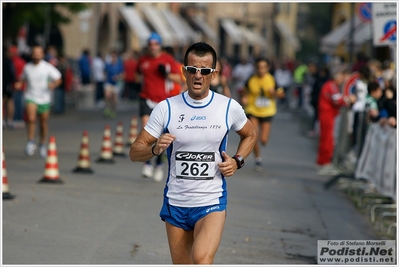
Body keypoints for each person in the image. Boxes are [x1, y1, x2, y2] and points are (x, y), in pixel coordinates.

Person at [129, 42, 257, 264]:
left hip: (211, 201)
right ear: (183, 72)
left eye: (205, 71)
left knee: (201, 260)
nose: (198, 76)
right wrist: (154, 148)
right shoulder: (166, 108)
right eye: (192, 70)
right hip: (176, 202)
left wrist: (237, 161)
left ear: (214, 74)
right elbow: (134, 152)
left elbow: (250, 135)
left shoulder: (227, 107)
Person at [135, 32, 182, 182]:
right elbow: (137, 74)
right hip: (146, 99)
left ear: (160, 45)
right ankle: (147, 164)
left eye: (156, 44)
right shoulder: (143, 60)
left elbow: (179, 78)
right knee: (146, 131)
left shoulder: (167, 60)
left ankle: (160, 165)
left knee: (162, 136)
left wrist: (166, 74)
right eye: (150, 44)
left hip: (163, 102)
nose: (153, 47)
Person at [15, 45, 62, 158]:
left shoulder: (47, 67)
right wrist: (19, 84)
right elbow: (22, 79)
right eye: (34, 53)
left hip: (44, 99)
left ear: (42, 55)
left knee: (43, 123)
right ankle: (30, 141)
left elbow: (59, 79)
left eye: (39, 53)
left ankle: (42, 143)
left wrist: (53, 84)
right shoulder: (27, 67)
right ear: (32, 54)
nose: (36, 55)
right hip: (31, 97)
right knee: (31, 119)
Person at [241, 57, 283, 172]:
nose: (261, 70)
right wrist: (244, 98)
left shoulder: (272, 79)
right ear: (255, 67)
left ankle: (261, 145)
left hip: (267, 111)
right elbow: (244, 91)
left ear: (268, 68)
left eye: (264, 67)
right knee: (253, 135)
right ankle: (258, 159)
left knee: (263, 139)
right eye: (259, 67)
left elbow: (281, 94)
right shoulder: (251, 79)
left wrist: (274, 93)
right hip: (253, 110)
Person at [316, 66, 356, 175]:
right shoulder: (331, 86)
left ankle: (324, 161)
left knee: (327, 138)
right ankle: (325, 162)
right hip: (328, 115)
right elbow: (337, 100)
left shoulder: (330, 85)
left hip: (328, 115)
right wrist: (349, 99)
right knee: (327, 139)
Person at [9, 45, 27, 129]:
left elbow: (14, 75)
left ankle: (17, 120)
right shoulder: (22, 61)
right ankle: (19, 119)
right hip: (21, 86)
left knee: (17, 104)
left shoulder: (13, 62)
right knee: (19, 104)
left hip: (16, 85)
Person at [103, 50, 124, 119]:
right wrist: (105, 77)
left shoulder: (119, 66)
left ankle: (113, 110)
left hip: (116, 84)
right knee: (107, 95)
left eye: (114, 57)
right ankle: (107, 108)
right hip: (109, 83)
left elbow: (123, 75)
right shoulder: (108, 65)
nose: (113, 58)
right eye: (112, 57)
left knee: (114, 99)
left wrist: (118, 77)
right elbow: (104, 72)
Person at [3, 46, 16, 129]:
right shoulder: (7, 61)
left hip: (6, 84)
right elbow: (11, 74)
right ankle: (7, 120)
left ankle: (7, 120)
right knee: (8, 102)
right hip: (6, 84)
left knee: (8, 102)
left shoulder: (8, 61)